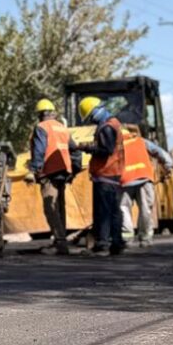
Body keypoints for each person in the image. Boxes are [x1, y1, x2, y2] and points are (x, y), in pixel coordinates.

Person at [26, 99, 82, 255]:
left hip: (49, 173)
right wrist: (74, 170)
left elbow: (40, 150)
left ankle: (60, 243)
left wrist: (33, 170)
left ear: (40, 114)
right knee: (60, 206)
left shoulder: (41, 127)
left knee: (51, 208)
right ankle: (61, 240)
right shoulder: (62, 128)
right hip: (63, 172)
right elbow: (75, 151)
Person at [76, 97, 126, 255]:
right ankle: (116, 243)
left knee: (103, 211)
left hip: (105, 173)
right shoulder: (114, 123)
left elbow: (105, 150)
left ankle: (103, 243)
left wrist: (87, 148)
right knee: (113, 210)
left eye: (91, 116)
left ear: (96, 111)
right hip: (114, 173)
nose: (91, 120)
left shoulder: (106, 127)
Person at [119, 124, 173, 247]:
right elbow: (160, 153)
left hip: (124, 181)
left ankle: (127, 238)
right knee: (145, 209)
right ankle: (145, 238)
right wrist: (168, 167)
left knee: (123, 208)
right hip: (144, 178)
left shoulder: (117, 146)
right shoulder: (140, 141)